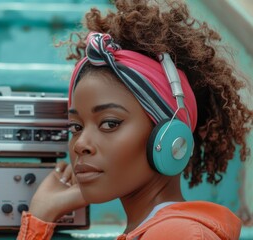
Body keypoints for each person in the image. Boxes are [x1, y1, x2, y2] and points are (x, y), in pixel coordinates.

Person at [17, 0, 253, 239]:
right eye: (76, 127)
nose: (80, 144)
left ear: (170, 137)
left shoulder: (175, 234)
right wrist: (42, 215)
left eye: (110, 123)